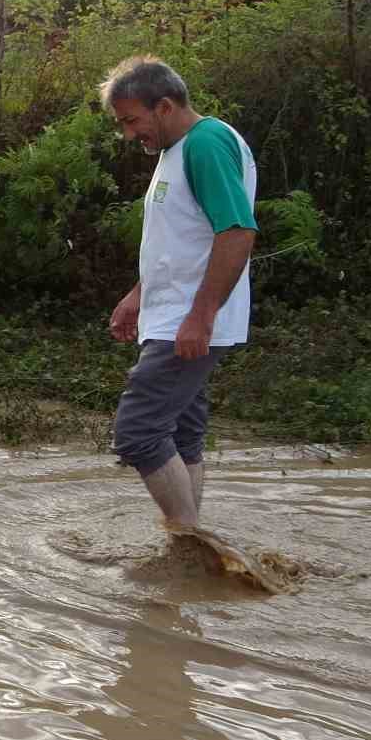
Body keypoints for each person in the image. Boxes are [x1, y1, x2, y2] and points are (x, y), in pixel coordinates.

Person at [101, 55, 258, 530]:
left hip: (187, 323)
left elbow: (236, 231)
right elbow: (179, 241)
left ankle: (193, 547)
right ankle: (186, 542)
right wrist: (138, 294)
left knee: (138, 432)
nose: (130, 134)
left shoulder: (205, 144)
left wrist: (201, 315)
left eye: (133, 120)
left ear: (165, 106)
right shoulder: (177, 150)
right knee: (184, 433)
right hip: (170, 315)